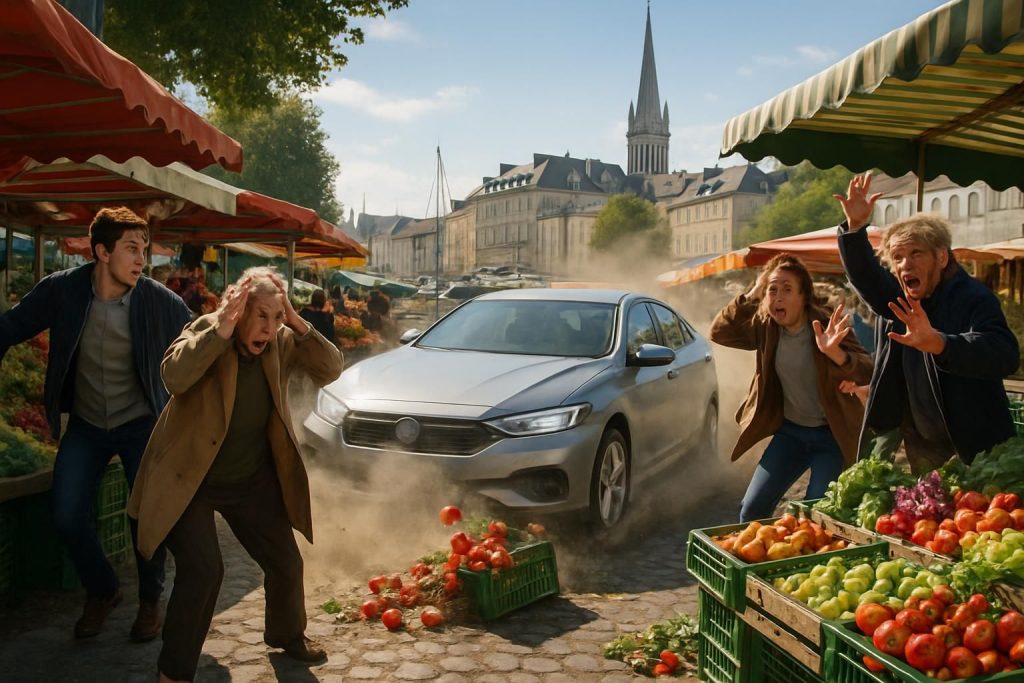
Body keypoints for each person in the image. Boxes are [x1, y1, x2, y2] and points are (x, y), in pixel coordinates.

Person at [127, 266, 343, 682]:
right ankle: (173, 672)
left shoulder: (281, 340)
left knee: (285, 561)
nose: (269, 326)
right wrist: (220, 330)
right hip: (192, 481)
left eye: (276, 317)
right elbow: (174, 377)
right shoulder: (209, 329)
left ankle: (287, 634)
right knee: (205, 570)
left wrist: (295, 321)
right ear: (239, 310)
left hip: (250, 478)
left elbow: (330, 368)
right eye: (261, 315)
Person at [0, 207, 192, 641]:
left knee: (145, 518)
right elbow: (11, 326)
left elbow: (200, 344)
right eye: (131, 248)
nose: (142, 259)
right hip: (85, 425)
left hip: (141, 423)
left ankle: (149, 599)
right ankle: (102, 590)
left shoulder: (159, 301)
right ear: (101, 251)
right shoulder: (62, 291)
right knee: (66, 515)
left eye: (144, 249)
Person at [834, 173, 1020, 473]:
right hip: (922, 444)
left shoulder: (974, 297)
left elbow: (1006, 355)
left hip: (977, 448)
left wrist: (942, 344)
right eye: (898, 257)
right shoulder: (899, 301)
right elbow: (867, 278)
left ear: (942, 257)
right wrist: (855, 230)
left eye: (916, 253)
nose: (906, 264)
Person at [711, 254, 873, 522]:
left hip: (831, 438)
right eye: (772, 290)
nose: (778, 297)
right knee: (751, 510)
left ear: (803, 297)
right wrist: (754, 290)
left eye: (787, 290)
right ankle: (758, 563)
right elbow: (720, 331)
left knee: (817, 516)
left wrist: (836, 355)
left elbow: (867, 369)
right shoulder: (766, 327)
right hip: (791, 435)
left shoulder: (826, 325)